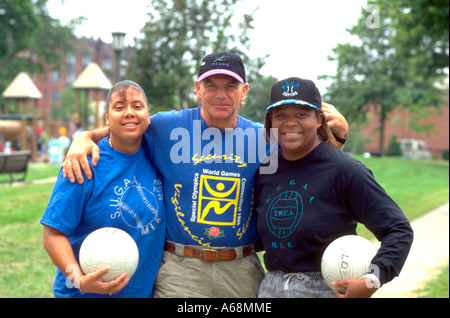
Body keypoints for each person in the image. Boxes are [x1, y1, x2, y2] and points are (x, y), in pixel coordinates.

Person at [62, 52, 349, 298]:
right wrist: (85, 137)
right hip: (181, 269)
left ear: (244, 91)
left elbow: (314, 167)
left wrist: (339, 140)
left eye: (230, 85)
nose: (221, 94)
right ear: (197, 88)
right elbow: (127, 126)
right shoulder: (166, 128)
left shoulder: (265, 138)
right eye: (211, 85)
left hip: (241, 269)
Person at [254, 77, 414, 298]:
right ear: (270, 120)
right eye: (281, 115)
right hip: (271, 288)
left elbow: (398, 229)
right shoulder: (267, 170)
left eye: (301, 114)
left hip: (328, 289)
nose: (290, 123)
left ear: (319, 119)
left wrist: (372, 280)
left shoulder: (345, 170)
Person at [40, 81, 165, 298]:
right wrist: (79, 280)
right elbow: (53, 234)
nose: (129, 113)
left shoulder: (159, 156)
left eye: (137, 106)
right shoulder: (84, 164)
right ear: (107, 117)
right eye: (119, 107)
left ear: (148, 115)